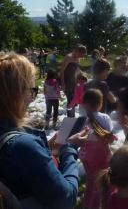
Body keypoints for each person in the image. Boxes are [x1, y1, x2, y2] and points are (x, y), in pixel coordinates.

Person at [0, 53, 88, 208]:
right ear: (16, 94)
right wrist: (69, 148)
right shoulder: (22, 145)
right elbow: (66, 199)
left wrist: (44, 153)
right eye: (32, 90)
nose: (32, 97)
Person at [78, 89, 116, 209]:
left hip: (85, 155)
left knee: (91, 181)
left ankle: (87, 204)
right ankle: (96, 205)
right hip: (102, 156)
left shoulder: (80, 118)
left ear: (84, 103)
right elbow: (109, 137)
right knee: (101, 183)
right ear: (100, 103)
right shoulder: (105, 118)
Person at [60, 44, 87, 117]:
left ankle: (72, 116)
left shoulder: (78, 58)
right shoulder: (69, 57)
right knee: (70, 99)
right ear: (76, 51)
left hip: (73, 81)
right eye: (81, 54)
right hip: (66, 80)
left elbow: (76, 68)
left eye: (83, 55)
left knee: (75, 99)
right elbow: (62, 70)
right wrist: (62, 83)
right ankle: (70, 118)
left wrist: (81, 73)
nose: (81, 56)